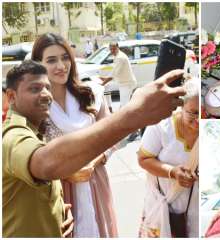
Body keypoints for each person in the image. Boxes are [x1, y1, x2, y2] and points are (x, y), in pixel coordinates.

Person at [3, 59, 186, 237]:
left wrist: (57, 209)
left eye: (47, 88)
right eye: (35, 89)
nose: (45, 95)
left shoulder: (36, 129)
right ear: (11, 97)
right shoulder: (11, 136)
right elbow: (46, 163)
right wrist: (135, 114)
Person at [31, 33, 117, 237]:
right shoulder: (34, 106)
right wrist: (66, 171)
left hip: (94, 181)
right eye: (51, 60)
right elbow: (31, 155)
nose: (61, 65)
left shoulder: (91, 94)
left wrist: (93, 162)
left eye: (65, 57)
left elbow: (111, 138)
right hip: (57, 190)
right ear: (38, 64)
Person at [138, 78, 200, 238]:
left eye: (204, 113)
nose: (199, 120)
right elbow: (143, 159)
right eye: (193, 112)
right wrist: (173, 172)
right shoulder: (162, 125)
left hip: (196, 209)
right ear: (181, 106)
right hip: (162, 206)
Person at [100, 42, 137, 110]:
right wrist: (105, 79)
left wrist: (102, 83)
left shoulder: (120, 57)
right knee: (123, 106)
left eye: (114, 49)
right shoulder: (118, 56)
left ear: (118, 47)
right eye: (111, 49)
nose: (112, 51)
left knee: (124, 107)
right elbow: (115, 72)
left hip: (127, 84)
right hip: (124, 84)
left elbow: (114, 73)